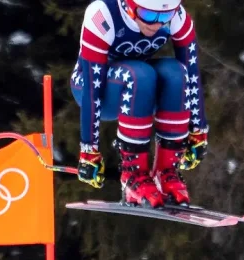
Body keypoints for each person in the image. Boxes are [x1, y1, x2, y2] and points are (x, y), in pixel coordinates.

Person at [70, 0, 209, 208]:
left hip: (139, 92)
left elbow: (192, 74)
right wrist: (89, 150)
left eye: (163, 17)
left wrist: (198, 131)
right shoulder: (103, 14)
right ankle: (132, 175)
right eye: (147, 15)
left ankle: (166, 171)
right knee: (140, 75)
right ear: (128, 5)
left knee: (177, 73)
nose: (155, 24)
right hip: (95, 90)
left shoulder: (177, 17)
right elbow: (92, 88)